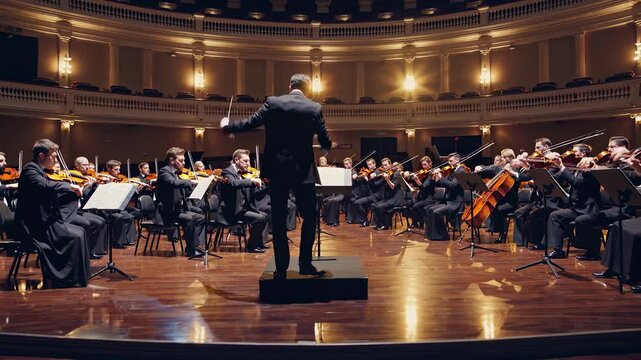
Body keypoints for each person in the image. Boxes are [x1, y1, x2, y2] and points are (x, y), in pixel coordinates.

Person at [220, 73, 332, 280]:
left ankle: (281, 269)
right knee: (310, 217)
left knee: (279, 218)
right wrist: (326, 146)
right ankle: (305, 264)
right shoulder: (314, 108)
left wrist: (228, 126)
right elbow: (325, 139)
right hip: (303, 171)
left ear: (289, 87)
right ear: (307, 90)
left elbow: (250, 123)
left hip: (277, 170)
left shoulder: (273, 102)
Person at [16, 139, 90, 288]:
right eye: (54, 156)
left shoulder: (40, 171)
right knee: (75, 236)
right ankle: (67, 279)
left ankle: (80, 276)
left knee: (81, 231)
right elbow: (44, 185)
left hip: (43, 220)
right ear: (42, 156)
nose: (56, 160)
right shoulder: (30, 169)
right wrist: (69, 185)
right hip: (33, 225)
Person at [156, 147, 207, 258]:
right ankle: (192, 249)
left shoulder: (176, 173)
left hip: (178, 209)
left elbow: (182, 190)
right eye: (181, 160)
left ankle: (193, 246)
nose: (184, 163)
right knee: (190, 219)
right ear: (171, 160)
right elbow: (172, 182)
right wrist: (191, 181)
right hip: (167, 211)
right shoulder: (164, 171)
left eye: (184, 160)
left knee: (200, 217)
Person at [219, 149, 269, 253]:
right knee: (259, 218)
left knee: (265, 216)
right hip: (232, 211)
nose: (248, 164)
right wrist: (251, 181)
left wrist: (267, 187)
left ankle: (258, 243)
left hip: (243, 209)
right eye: (245, 161)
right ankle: (251, 246)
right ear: (236, 160)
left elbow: (254, 194)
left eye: (248, 161)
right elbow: (233, 183)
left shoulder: (243, 174)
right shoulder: (227, 172)